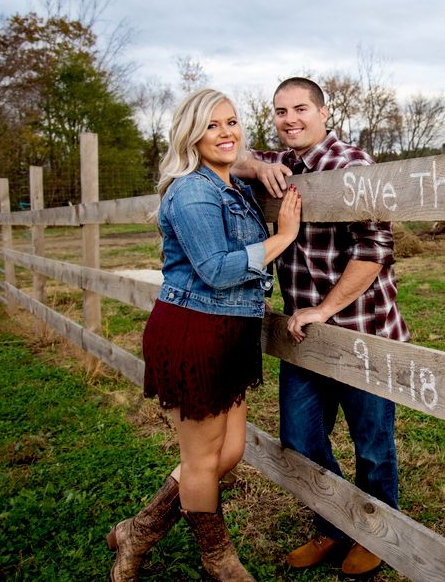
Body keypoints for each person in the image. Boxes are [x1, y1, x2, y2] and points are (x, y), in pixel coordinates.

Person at [106, 88, 302, 582]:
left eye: (232, 122)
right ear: (192, 134)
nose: (226, 132)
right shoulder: (193, 190)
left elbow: (243, 160)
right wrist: (281, 238)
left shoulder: (228, 182)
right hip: (195, 330)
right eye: (213, 125)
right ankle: (220, 560)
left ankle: (139, 529)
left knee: (229, 453)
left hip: (231, 331)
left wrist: (255, 167)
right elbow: (215, 270)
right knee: (199, 461)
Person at [237, 77, 409, 578]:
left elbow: (374, 250)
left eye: (300, 109)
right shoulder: (282, 165)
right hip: (304, 336)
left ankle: (376, 536)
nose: (290, 119)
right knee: (299, 436)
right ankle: (334, 525)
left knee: (372, 445)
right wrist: (264, 164)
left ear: (324, 112)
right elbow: (237, 158)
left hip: (361, 331)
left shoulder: (352, 165)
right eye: (280, 111)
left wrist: (324, 309)